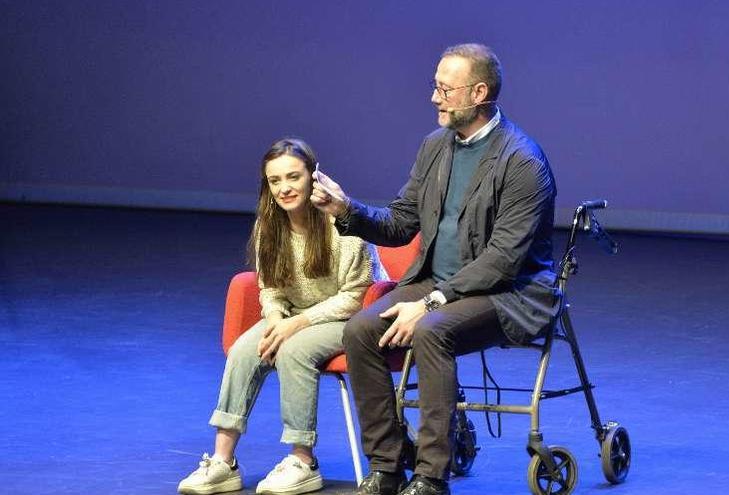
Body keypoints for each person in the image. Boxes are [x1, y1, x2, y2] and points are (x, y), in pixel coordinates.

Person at [310, 44, 558, 495]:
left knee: (431, 330)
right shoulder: (435, 147)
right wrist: (346, 209)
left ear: (479, 92)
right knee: (361, 329)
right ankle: (388, 462)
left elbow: (504, 259)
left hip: (508, 294)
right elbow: (402, 221)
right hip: (437, 285)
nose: (434, 98)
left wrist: (429, 303)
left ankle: (430, 474)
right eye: (435, 86)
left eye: (445, 88)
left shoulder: (522, 161)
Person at [178, 138, 386, 495]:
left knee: (295, 349)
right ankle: (223, 462)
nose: (285, 188)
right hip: (295, 315)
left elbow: (356, 297)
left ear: (313, 176)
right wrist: (275, 319)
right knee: (247, 348)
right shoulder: (269, 227)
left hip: (355, 319)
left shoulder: (344, 225)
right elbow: (269, 288)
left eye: (293, 177)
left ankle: (303, 460)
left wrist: (297, 324)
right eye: (275, 181)